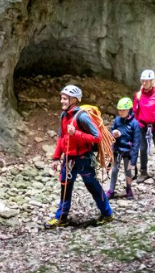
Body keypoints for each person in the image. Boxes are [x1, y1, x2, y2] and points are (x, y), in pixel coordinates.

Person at [46, 84, 113, 227]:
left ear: (73, 100)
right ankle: (61, 217)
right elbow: (61, 138)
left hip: (84, 160)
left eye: (65, 99)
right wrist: (56, 158)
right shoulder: (64, 115)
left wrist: (75, 133)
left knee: (93, 187)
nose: (61, 101)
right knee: (65, 187)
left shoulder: (82, 117)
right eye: (62, 98)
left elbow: (97, 137)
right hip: (69, 159)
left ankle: (107, 214)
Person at [134, 69, 155, 178]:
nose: (144, 83)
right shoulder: (138, 95)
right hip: (142, 125)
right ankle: (143, 172)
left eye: (146, 81)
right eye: (143, 81)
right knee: (142, 148)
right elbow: (135, 112)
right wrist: (134, 126)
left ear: (152, 81)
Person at [108, 97, 141, 199]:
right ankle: (111, 190)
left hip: (129, 152)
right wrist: (113, 134)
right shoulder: (117, 121)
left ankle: (129, 189)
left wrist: (134, 160)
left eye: (123, 110)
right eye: (119, 110)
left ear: (129, 110)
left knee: (128, 171)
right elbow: (110, 133)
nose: (121, 112)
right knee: (114, 170)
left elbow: (136, 142)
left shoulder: (134, 124)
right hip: (118, 150)